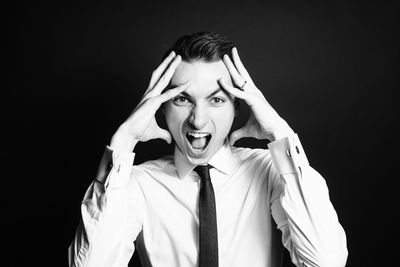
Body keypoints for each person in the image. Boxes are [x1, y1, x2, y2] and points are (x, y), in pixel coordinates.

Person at [69, 32, 348, 267]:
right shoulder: (135, 184)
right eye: (181, 99)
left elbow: (326, 262)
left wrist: (281, 133)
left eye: (216, 99)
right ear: (161, 107)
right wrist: (124, 141)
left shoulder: (270, 172)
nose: (198, 119)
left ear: (237, 106)